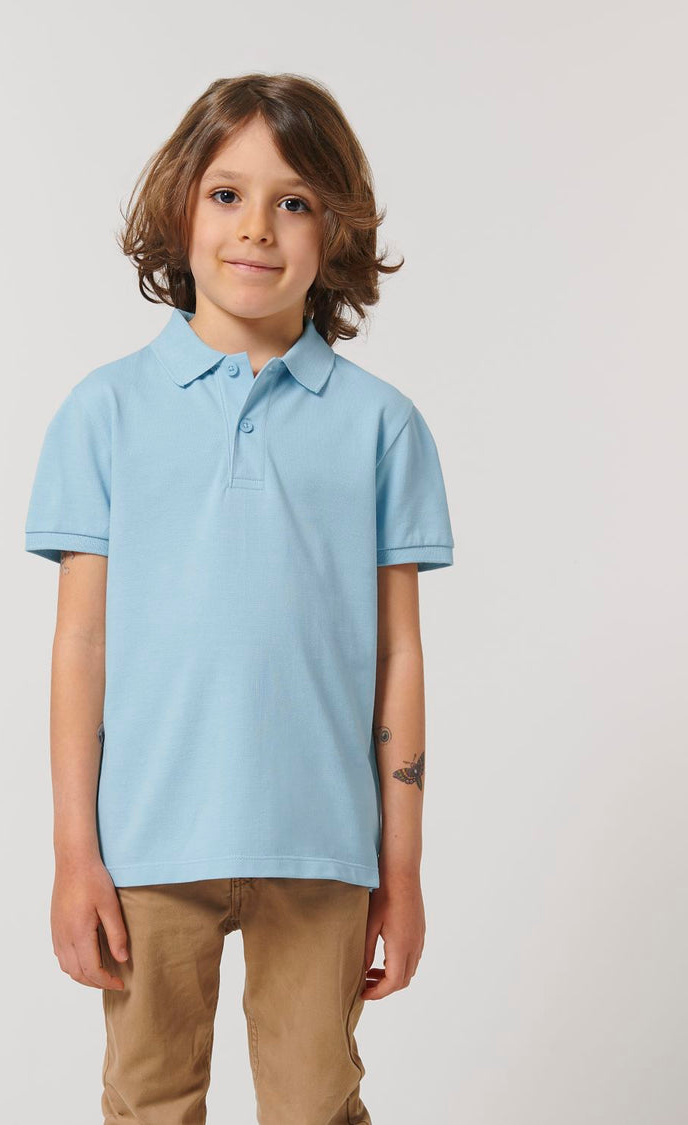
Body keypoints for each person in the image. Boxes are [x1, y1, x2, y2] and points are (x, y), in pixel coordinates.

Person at [24, 72, 455, 1125]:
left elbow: (399, 654)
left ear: (335, 228)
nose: (256, 227)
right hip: (147, 843)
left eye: (293, 201)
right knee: (149, 1101)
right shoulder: (104, 411)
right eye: (227, 194)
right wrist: (75, 854)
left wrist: (401, 866)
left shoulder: (381, 426)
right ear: (181, 207)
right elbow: (82, 646)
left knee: (316, 1104)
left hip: (323, 843)